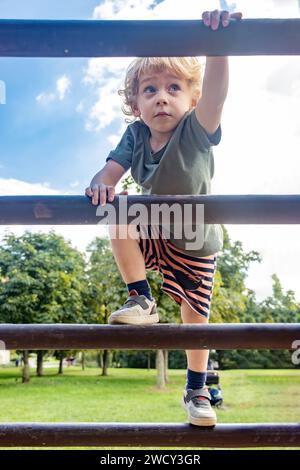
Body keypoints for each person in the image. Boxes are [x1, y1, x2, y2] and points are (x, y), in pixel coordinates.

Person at [85, 9, 243, 426]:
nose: (161, 97)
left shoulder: (196, 127)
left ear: (191, 98)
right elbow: (110, 171)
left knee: (195, 318)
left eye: (174, 88)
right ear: (135, 103)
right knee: (115, 211)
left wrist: (218, 46)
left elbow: (217, 95)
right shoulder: (135, 135)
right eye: (150, 89)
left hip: (195, 240)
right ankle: (142, 297)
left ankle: (196, 388)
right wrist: (103, 183)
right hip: (155, 230)